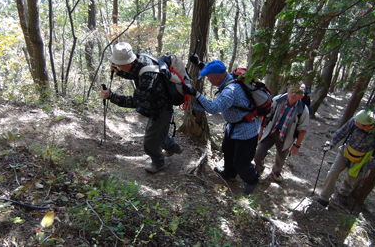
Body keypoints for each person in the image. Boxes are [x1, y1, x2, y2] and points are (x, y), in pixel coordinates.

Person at [100, 42, 183, 174]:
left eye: (120, 65)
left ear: (128, 63)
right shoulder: (141, 60)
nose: (118, 66)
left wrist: (111, 96)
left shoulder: (147, 75)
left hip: (161, 110)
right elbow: (135, 73)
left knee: (150, 143)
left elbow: (135, 101)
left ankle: (158, 162)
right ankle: (175, 148)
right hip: (157, 106)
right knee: (157, 134)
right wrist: (120, 73)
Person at [182, 59, 260, 195]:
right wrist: (199, 63)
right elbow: (214, 70)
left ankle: (252, 179)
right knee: (227, 149)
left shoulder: (231, 90)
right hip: (234, 127)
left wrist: (196, 93)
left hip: (247, 129)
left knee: (241, 161)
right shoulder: (227, 77)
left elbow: (213, 108)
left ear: (217, 77)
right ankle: (230, 173)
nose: (207, 78)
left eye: (208, 76)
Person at [317, 110, 375, 207]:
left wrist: (371, 163)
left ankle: (343, 194)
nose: (355, 123)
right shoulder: (355, 120)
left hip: (362, 160)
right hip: (346, 152)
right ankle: (324, 198)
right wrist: (331, 144)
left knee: (351, 179)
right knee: (332, 173)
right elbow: (342, 132)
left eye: (358, 124)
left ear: (367, 126)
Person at [254, 84, 310, 183]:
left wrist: (297, 145)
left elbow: (302, 130)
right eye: (292, 90)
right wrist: (261, 130)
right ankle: (258, 170)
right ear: (288, 90)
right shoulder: (277, 100)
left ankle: (275, 173)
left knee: (280, 158)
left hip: (286, 136)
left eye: (298, 92)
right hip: (271, 131)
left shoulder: (303, 110)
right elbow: (267, 116)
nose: (294, 94)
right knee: (258, 153)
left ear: (302, 96)